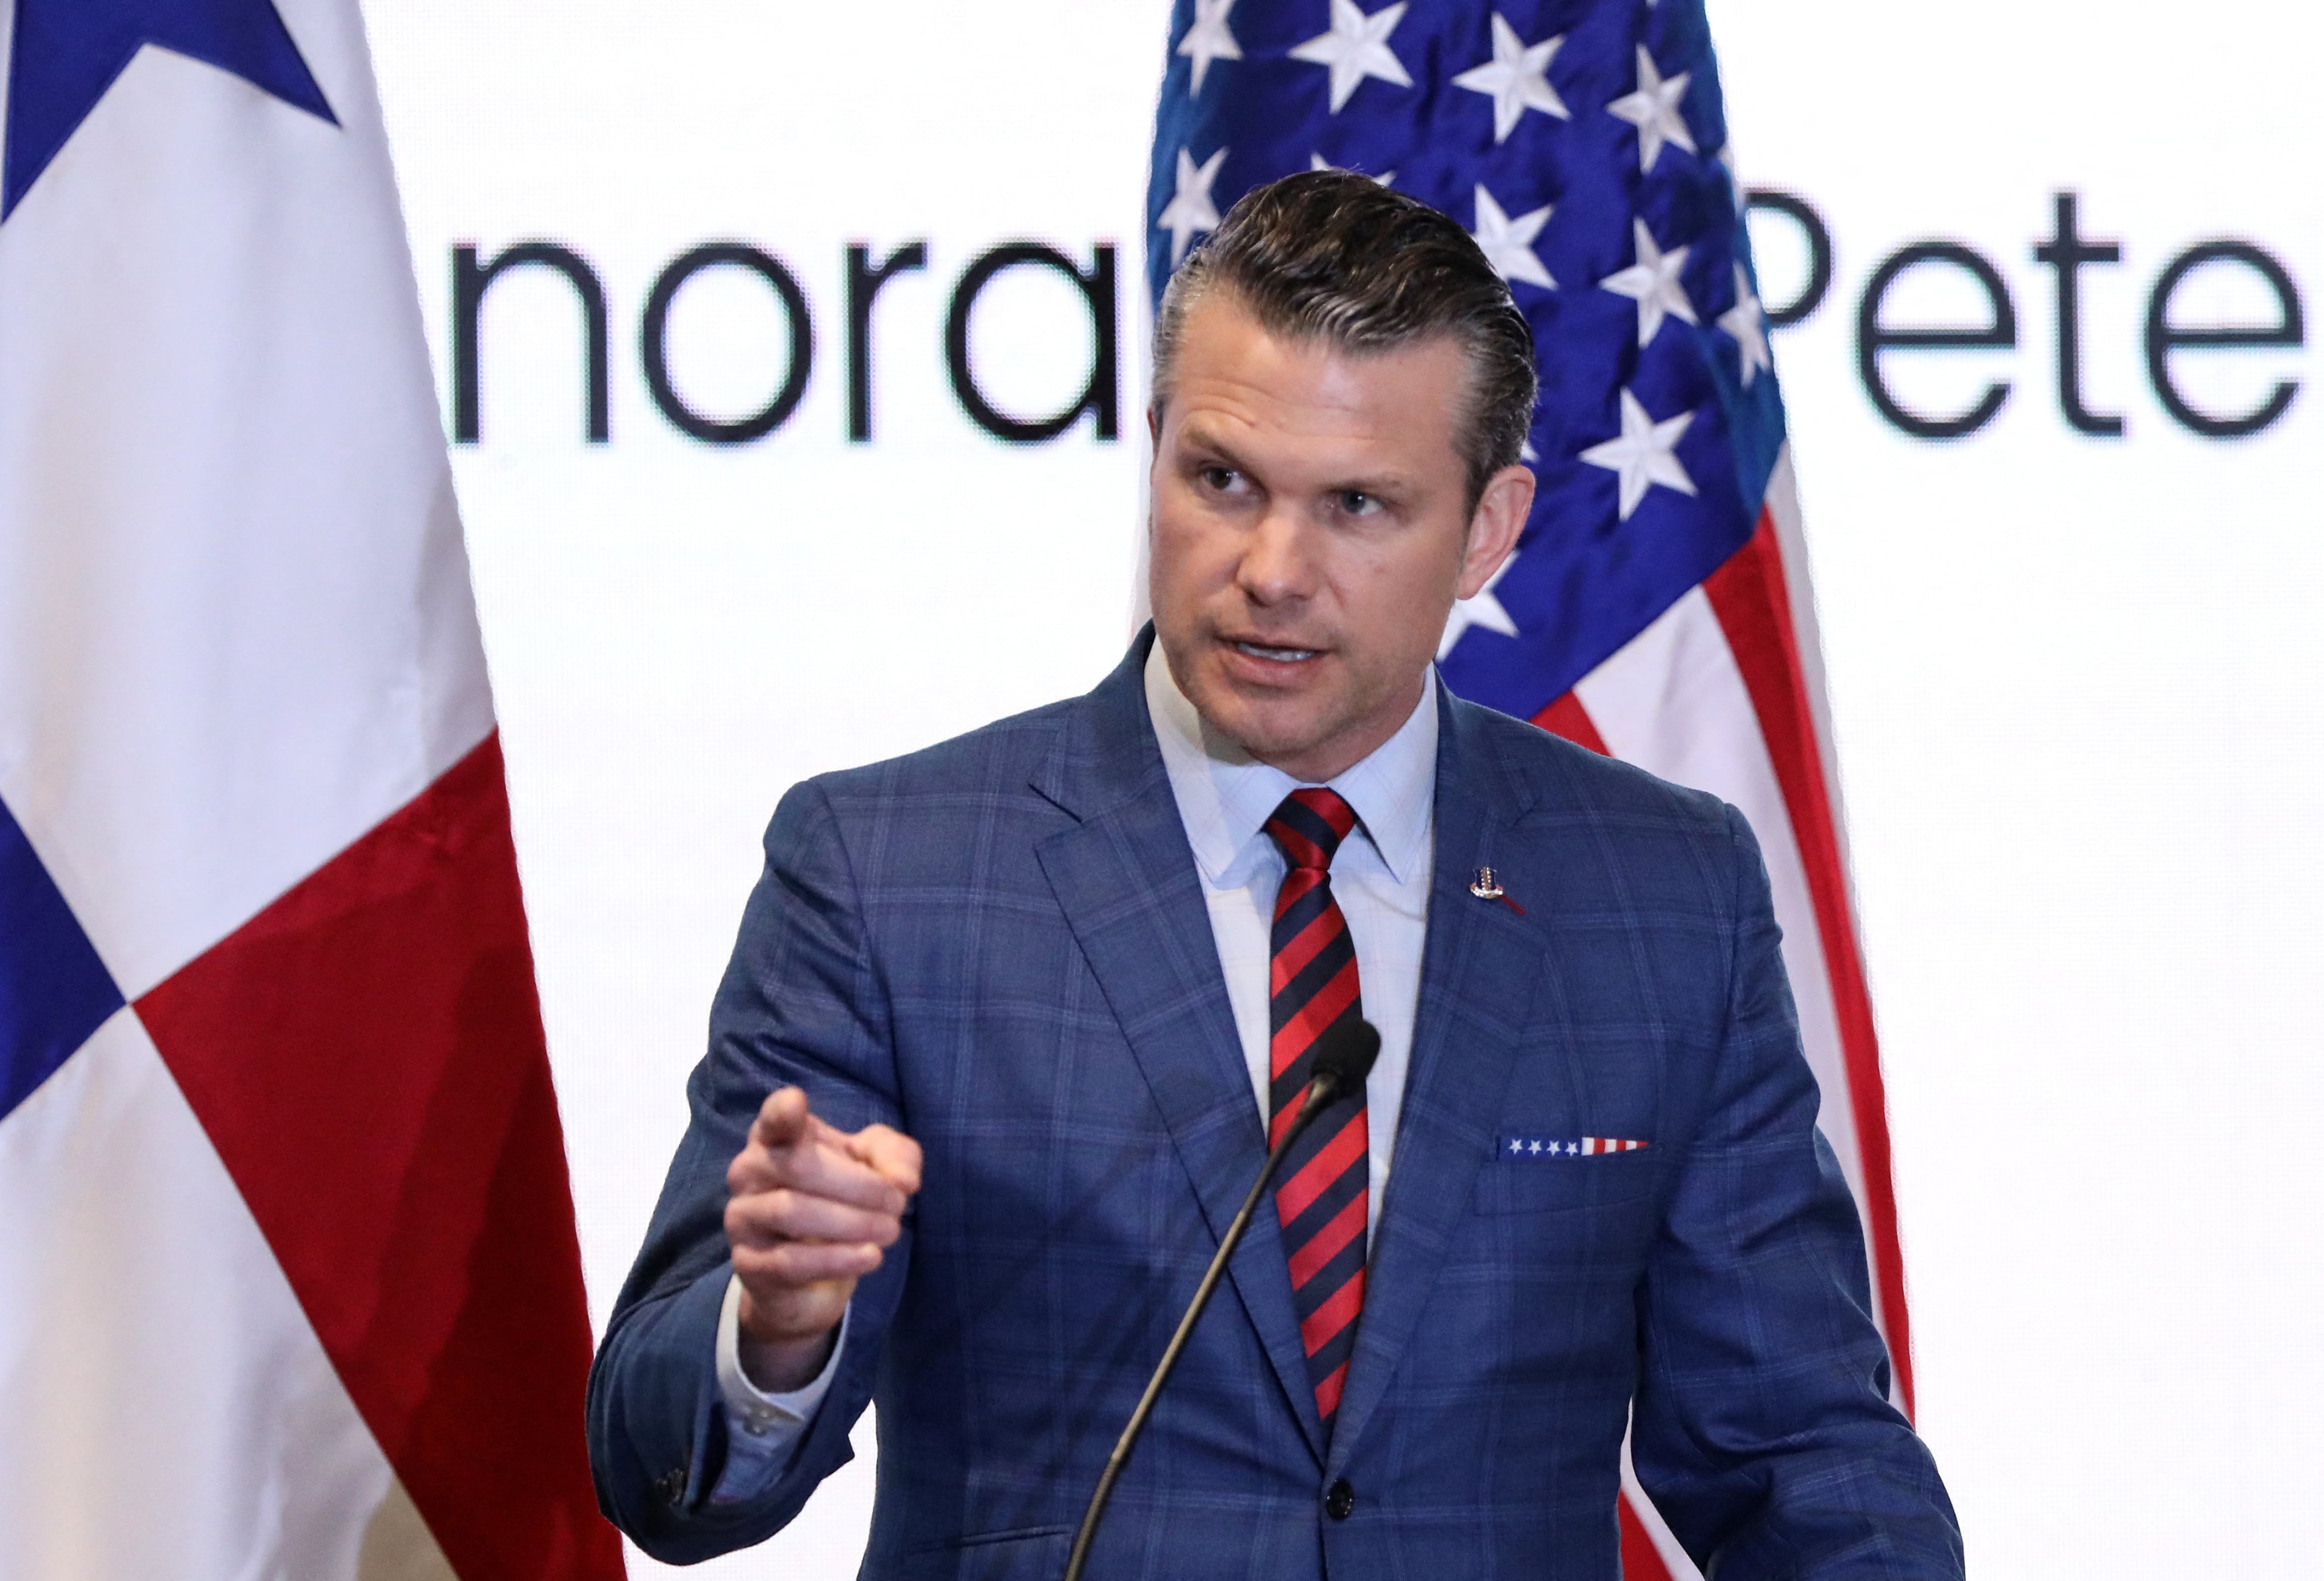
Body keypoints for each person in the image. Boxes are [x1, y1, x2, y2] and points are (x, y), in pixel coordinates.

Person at [586, 170, 1963, 1579]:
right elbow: (664, 1479)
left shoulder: (1660, 892)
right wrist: (777, 1327)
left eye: (1359, 505)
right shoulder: (893, 878)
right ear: (1156, 453)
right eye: (1222, 480)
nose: (1273, 568)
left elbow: (1796, 1455)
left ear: (1488, 530)